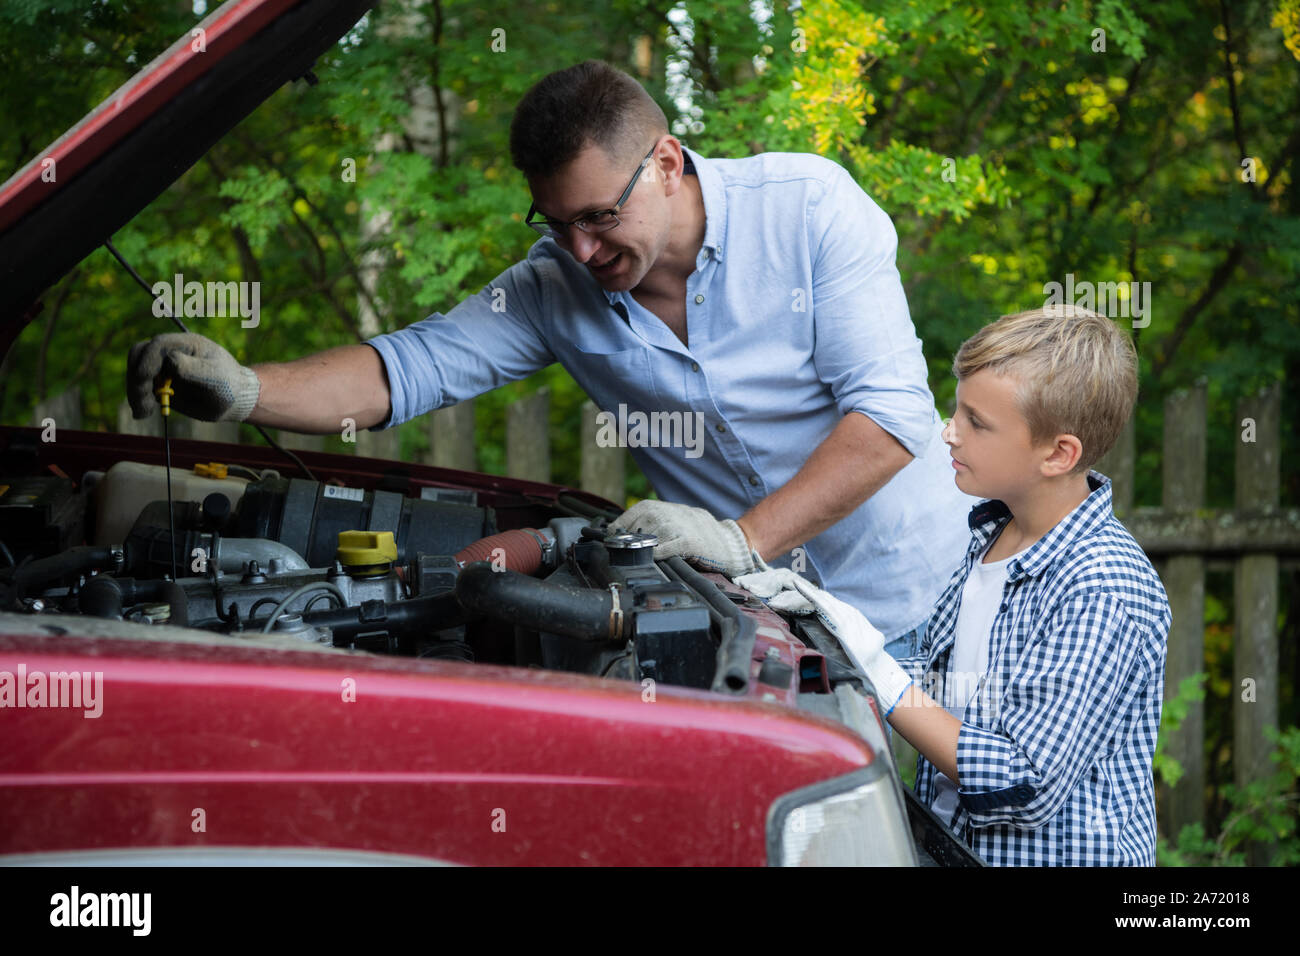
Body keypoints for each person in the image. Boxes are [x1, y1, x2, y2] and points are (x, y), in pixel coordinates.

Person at [125, 59, 973, 652]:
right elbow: (404, 369)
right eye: (554, 223)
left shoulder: (811, 210)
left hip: (933, 601)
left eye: (600, 217)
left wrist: (741, 540)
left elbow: (891, 416)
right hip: (771, 634)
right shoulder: (549, 288)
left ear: (667, 163)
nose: (580, 249)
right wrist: (242, 388)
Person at [743, 305, 1171, 865]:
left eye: (977, 422)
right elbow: (946, 695)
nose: (947, 432)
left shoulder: (1103, 588)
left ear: (1058, 454)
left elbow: (1024, 781)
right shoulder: (991, 536)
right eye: (956, 410)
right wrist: (830, 635)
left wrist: (881, 672)